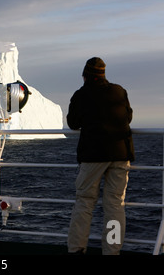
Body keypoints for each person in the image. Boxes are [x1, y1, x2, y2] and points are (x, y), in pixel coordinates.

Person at [66, 57, 134, 255]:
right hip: (121, 153)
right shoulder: (119, 91)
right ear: (103, 74)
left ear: (85, 75)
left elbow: (73, 123)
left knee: (85, 202)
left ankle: (77, 249)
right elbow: (128, 117)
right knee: (115, 203)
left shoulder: (81, 95)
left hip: (93, 155)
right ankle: (112, 251)